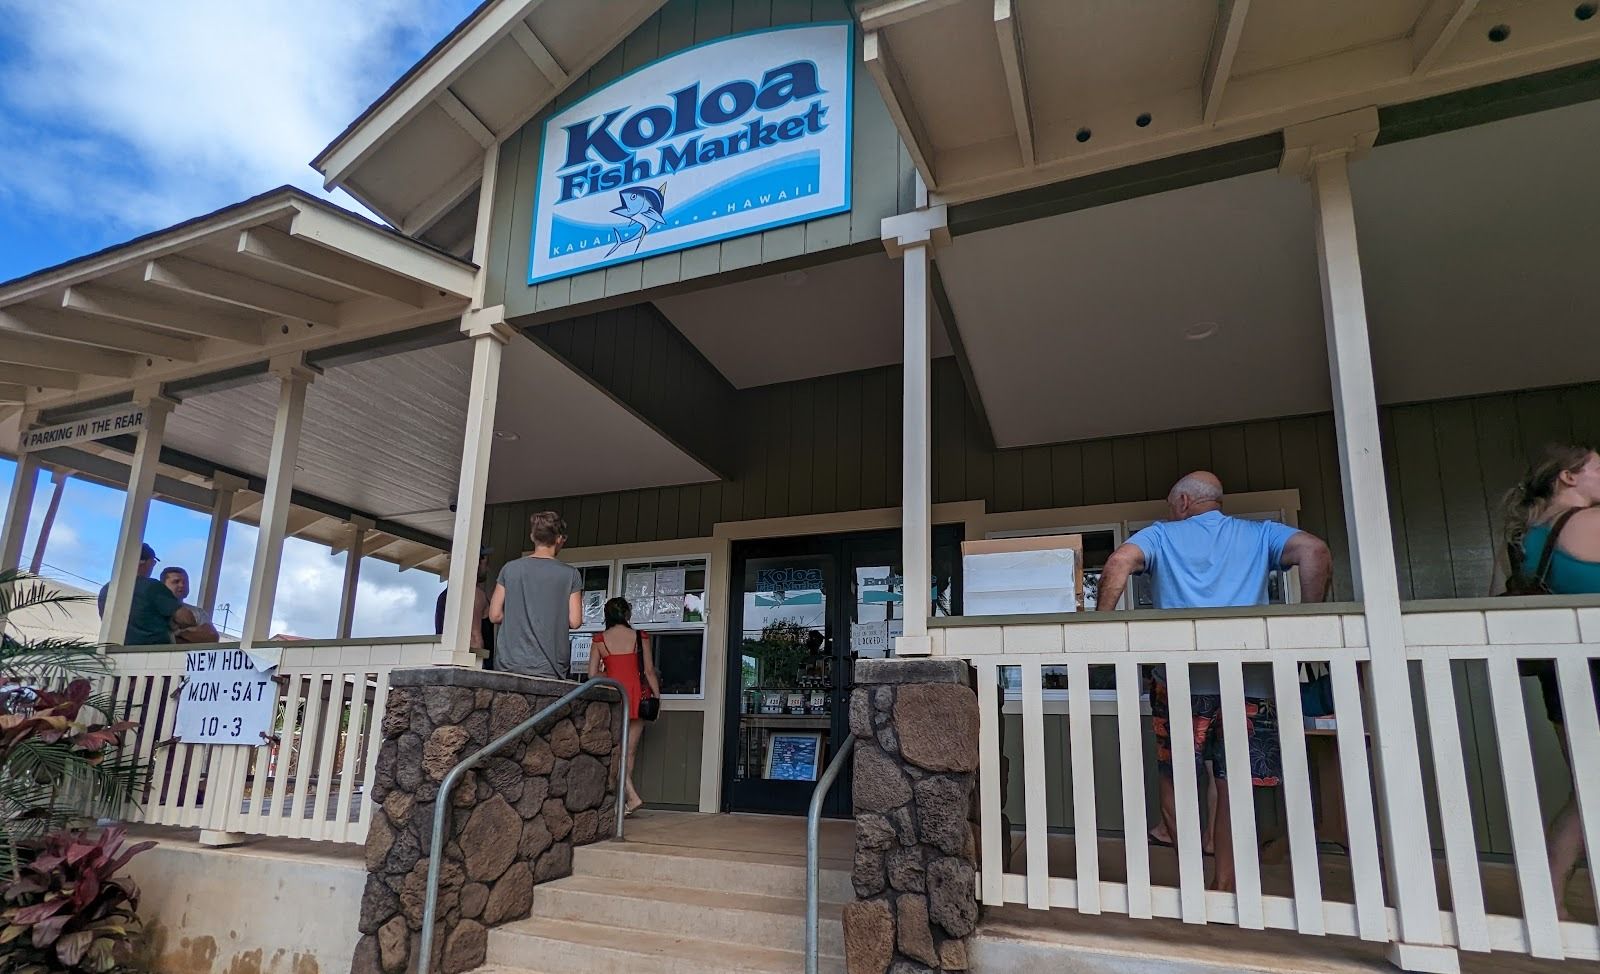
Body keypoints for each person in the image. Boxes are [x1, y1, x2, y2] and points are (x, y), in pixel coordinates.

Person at [1096, 471, 1332, 892]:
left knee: (1177, 775)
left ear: (1184, 502)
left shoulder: (1163, 536)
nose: (1173, 513)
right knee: (1233, 783)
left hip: (1182, 681)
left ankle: (1190, 878)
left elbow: (1118, 562)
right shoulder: (1260, 535)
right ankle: (1225, 884)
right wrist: (1307, 623)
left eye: (1173, 506)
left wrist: (1101, 627)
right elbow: (1314, 550)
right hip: (1251, 684)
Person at [1503, 444, 1600, 919]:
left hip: (1563, 678)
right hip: (1597, 668)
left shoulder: (1527, 538)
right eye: (1598, 469)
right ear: (1568, 477)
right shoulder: (1589, 523)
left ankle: (1549, 902)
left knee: (1590, 790)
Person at [488, 512, 582, 680]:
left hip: (510, 663)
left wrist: (518, 618)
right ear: (560, 538)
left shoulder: (510, 569)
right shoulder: (570, 574)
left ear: (533, 536)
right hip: (550, 666)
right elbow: (575, 621)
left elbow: (494, 615)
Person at [588, 596, 659, 816]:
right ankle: (628, 800)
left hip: (613, 696)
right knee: (629, 752)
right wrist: (656, 697)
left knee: (617, 751)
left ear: (607, 616)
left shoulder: (600, 639)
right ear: (627, 614)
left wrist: (609, 672)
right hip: (637, 696)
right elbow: (648, 670)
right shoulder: (640, 636)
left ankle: (628, 799)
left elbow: (592, 675)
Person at [96, 542, 202, 646]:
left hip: (116, 652)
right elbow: (186, 618)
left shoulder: (106, 589)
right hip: (155, 653)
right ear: (144, 562)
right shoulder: (152, 587)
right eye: (154, 562)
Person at [436, 547, 494, 662]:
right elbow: (474, 636)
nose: (487, 569)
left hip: (447, 660)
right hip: (472, 664)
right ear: (476, 562)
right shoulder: (473, 594)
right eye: (485, 562)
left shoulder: (447, 594)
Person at [159, 567, 220, 643]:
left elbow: (212, 637)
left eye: (185, 582)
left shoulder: (198, 612)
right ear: (162, 586)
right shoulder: (154, 609)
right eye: (176, 581)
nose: (181, 585)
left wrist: (178, 633)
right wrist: (193, 631)